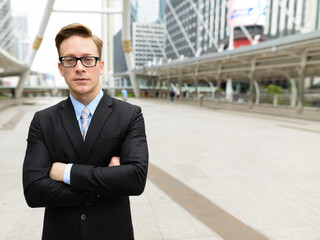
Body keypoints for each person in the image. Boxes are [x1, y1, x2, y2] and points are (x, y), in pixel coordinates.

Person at [22, 23, 148, 240]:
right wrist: (108, 183)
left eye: (88, 59)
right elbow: (34, 191)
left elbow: (135, 179)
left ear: (100, 66)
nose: (79, 67)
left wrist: (66, 173)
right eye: (70, 60)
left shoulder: (129, 115)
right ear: (61, 68)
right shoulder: (43, 120)